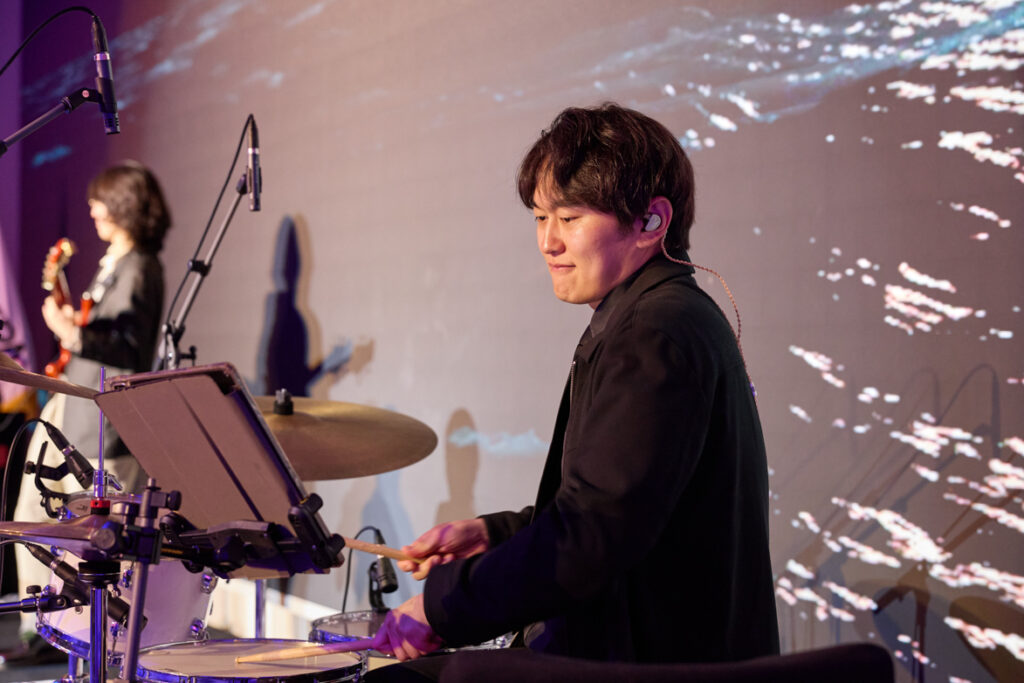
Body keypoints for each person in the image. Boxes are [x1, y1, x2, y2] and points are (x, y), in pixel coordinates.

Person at [364, 103, 779, 680]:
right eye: (541, 217)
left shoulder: (653, 331)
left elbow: (592, 535)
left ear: (651, 221)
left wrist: (442, 608)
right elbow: (619, 507)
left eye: (570, 217)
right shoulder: (659, 317)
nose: (548, 242)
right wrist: (494, 535)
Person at [4, 161, 170, 665]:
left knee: (94, 536)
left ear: (122, 204)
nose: (92, 209)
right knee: (37, 516)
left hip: (103, 423)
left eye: (99, 201)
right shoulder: (117, 263)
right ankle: (48, 627)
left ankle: (81, 639)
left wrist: (70, 333)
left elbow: (130, 348)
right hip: (76, 410)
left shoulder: (140, 265)